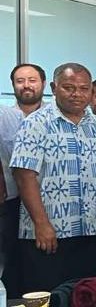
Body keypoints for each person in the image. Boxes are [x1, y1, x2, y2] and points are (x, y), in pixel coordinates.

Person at [10, 63, 96, 292]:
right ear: (54, 88)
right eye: (69, 87)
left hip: (92, 232)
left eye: (83, 88)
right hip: (50, 233)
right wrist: (41, 224)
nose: (77, 94)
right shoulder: (35, 123)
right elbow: (24, 176)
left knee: (89, 300)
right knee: (47, 302)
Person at [0, 63, 46, 293]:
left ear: (44, 84)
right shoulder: (5, 117)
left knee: (36, 258)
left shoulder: (53, 118)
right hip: (10, 202)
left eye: (32, 80)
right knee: (11, 259)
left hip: (45, 201)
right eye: (20, 81)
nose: (26, 85)